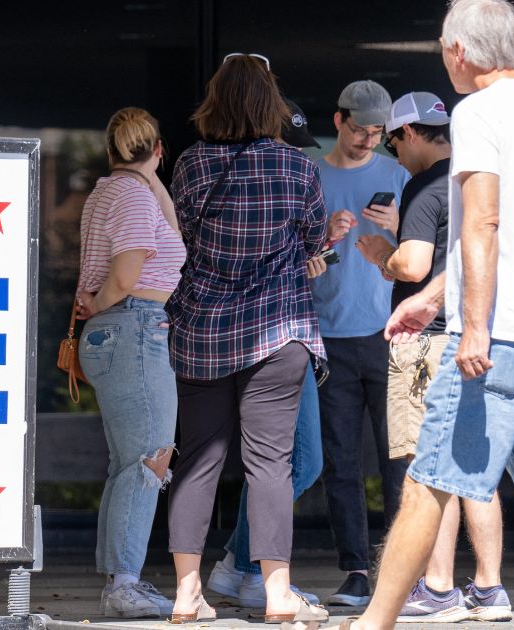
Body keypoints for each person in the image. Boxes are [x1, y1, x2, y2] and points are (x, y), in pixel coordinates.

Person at [347, 2, 514, 629]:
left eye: (444, 48)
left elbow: (484, 221)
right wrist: (434, 295)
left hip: (497, 341)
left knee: (425, 485)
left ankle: (372, 623)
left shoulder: (476, 113)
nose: (445, 58)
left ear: (460, 52)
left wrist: (472, 326)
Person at [165, 54, 329, 625]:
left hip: (202, 333)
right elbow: (312, 243)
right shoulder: (297, 167)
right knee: (271, 465)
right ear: (271, 106)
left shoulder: (190, 166)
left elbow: (178, 238)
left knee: (197, 463)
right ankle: (278, 593)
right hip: (278, 331)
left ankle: (187, 595)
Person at [355, 91, 511, 623]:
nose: (393, 152)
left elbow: (416, 265)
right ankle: (489, 589)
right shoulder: (475, 181)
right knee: (474, 467)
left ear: (414, 134)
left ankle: (439, 587)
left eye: (394, 139)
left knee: (426, 469)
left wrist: (383, 255)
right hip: (476, 336)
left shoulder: (424, 186)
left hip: (427, 341)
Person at [205, 97, 326, 609]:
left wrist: (310, 257)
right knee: (289, 462)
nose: (292, 154)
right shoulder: (262, 174)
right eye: (283, 141)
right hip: (275, 334)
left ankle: (237, 564)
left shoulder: (273, 174)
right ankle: (252, 570)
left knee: (290, 463)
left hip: (272, 333)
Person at [74, 107, 183, 619]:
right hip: (133, 325)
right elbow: (125, 274)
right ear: (158, 149)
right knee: (150, 458)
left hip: (120, 331)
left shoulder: (110, 192)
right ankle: (124, 583)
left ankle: (121, 578)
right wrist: (98, 303)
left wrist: (146, 173)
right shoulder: (134, 197)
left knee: (130, 462)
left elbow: (169, 230)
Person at [309, 79, 410, 607]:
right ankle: (355, 570)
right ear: (338, 121)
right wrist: (324, 238)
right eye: (361, 130)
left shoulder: (397, 175)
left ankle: (401, 569)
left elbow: (424, 260)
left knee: (400, 460)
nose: (370, 140)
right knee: (340, 462)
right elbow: (294, 264)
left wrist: (397, 228)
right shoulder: (312, 176)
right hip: (326, 336)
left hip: (388, 334)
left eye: (378, 132)